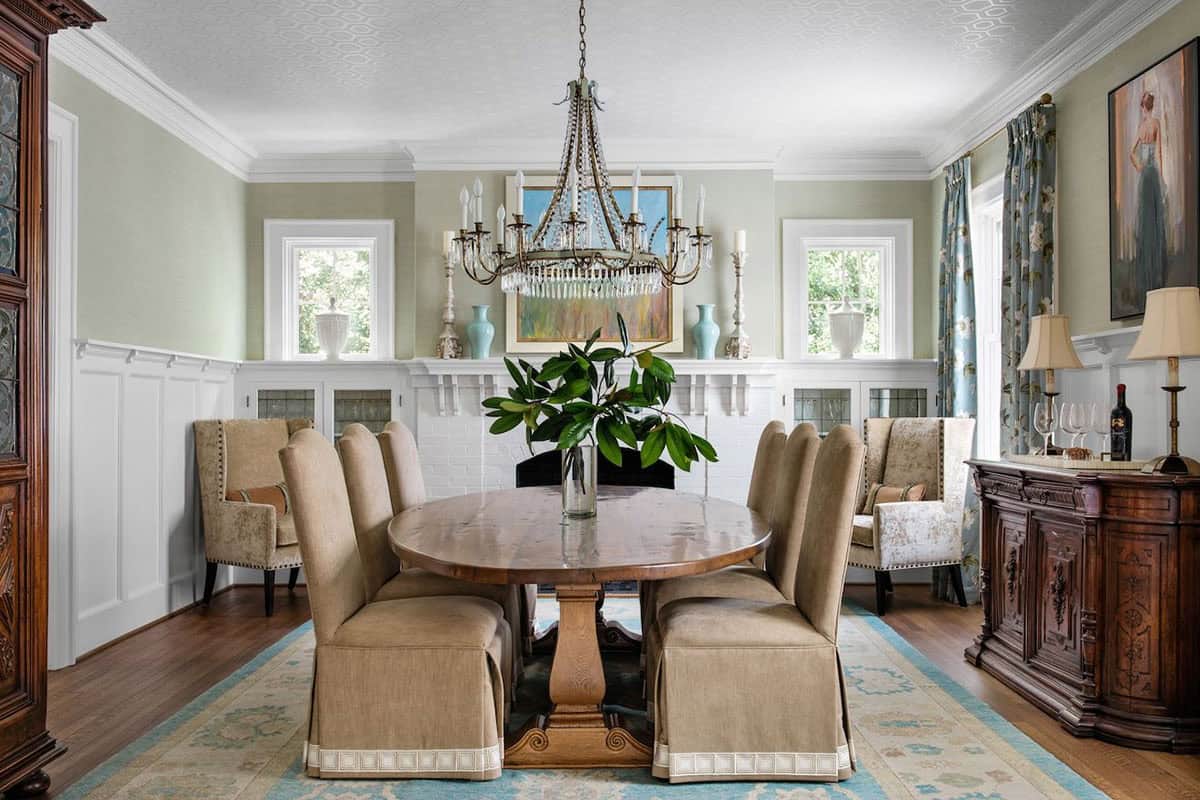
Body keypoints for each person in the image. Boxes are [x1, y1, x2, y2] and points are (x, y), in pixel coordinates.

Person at [1130, 90, 1168, 304]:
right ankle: (1155, 269)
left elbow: (1130, 152)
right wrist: (1160, 178)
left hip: (1144, 175)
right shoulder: (1155, 125)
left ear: (1143, 107)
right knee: (1154, 219)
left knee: (1146, 219)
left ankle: (1147, 269)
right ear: (1151, 106)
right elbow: (1159, 153)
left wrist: (1139, 168)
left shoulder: (1141, 127)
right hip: (1152, 173)